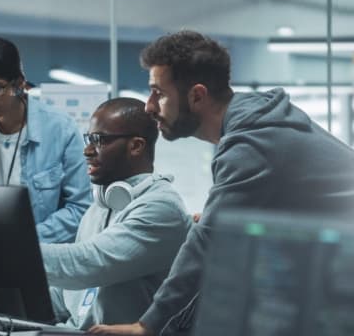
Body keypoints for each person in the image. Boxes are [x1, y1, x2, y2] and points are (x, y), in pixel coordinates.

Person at [89, 30, 354, 335]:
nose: (149, 106)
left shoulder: (250, 143)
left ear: (197, 96)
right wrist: (229, 220)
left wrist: (147, 325)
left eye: (158, 93)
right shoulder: (254, 123)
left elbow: (207, 246)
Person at [40, 97, 191, 330]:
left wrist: (15, 256)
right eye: (89, 139)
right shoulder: (100, 207)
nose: (88, 151)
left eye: (99, 140)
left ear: (136, 146)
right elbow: (66, 297)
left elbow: (88, 263)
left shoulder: (162, 208)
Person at [0, 37, 91, 243]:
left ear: (19, 85)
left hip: (41, 257)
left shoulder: (61, 129)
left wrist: (25, 240)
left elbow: (79, 208)